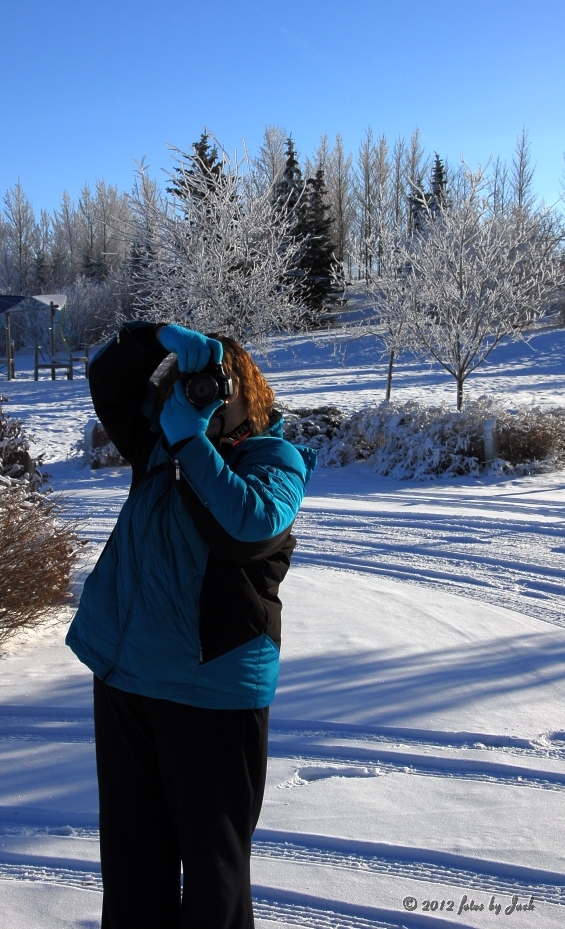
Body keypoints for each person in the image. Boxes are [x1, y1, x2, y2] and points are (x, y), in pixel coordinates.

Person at [66, 321, 316, 929]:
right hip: (127, 678)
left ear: (249, 391)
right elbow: (107, 376)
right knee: (133, 870)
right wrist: (157, 339)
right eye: (192, 383)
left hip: (211, 690)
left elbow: (249, 524)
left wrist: (191, 442)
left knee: (214, 878)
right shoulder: (157, 442)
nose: (206, 394)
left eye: (219, 383)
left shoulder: (272, 458)